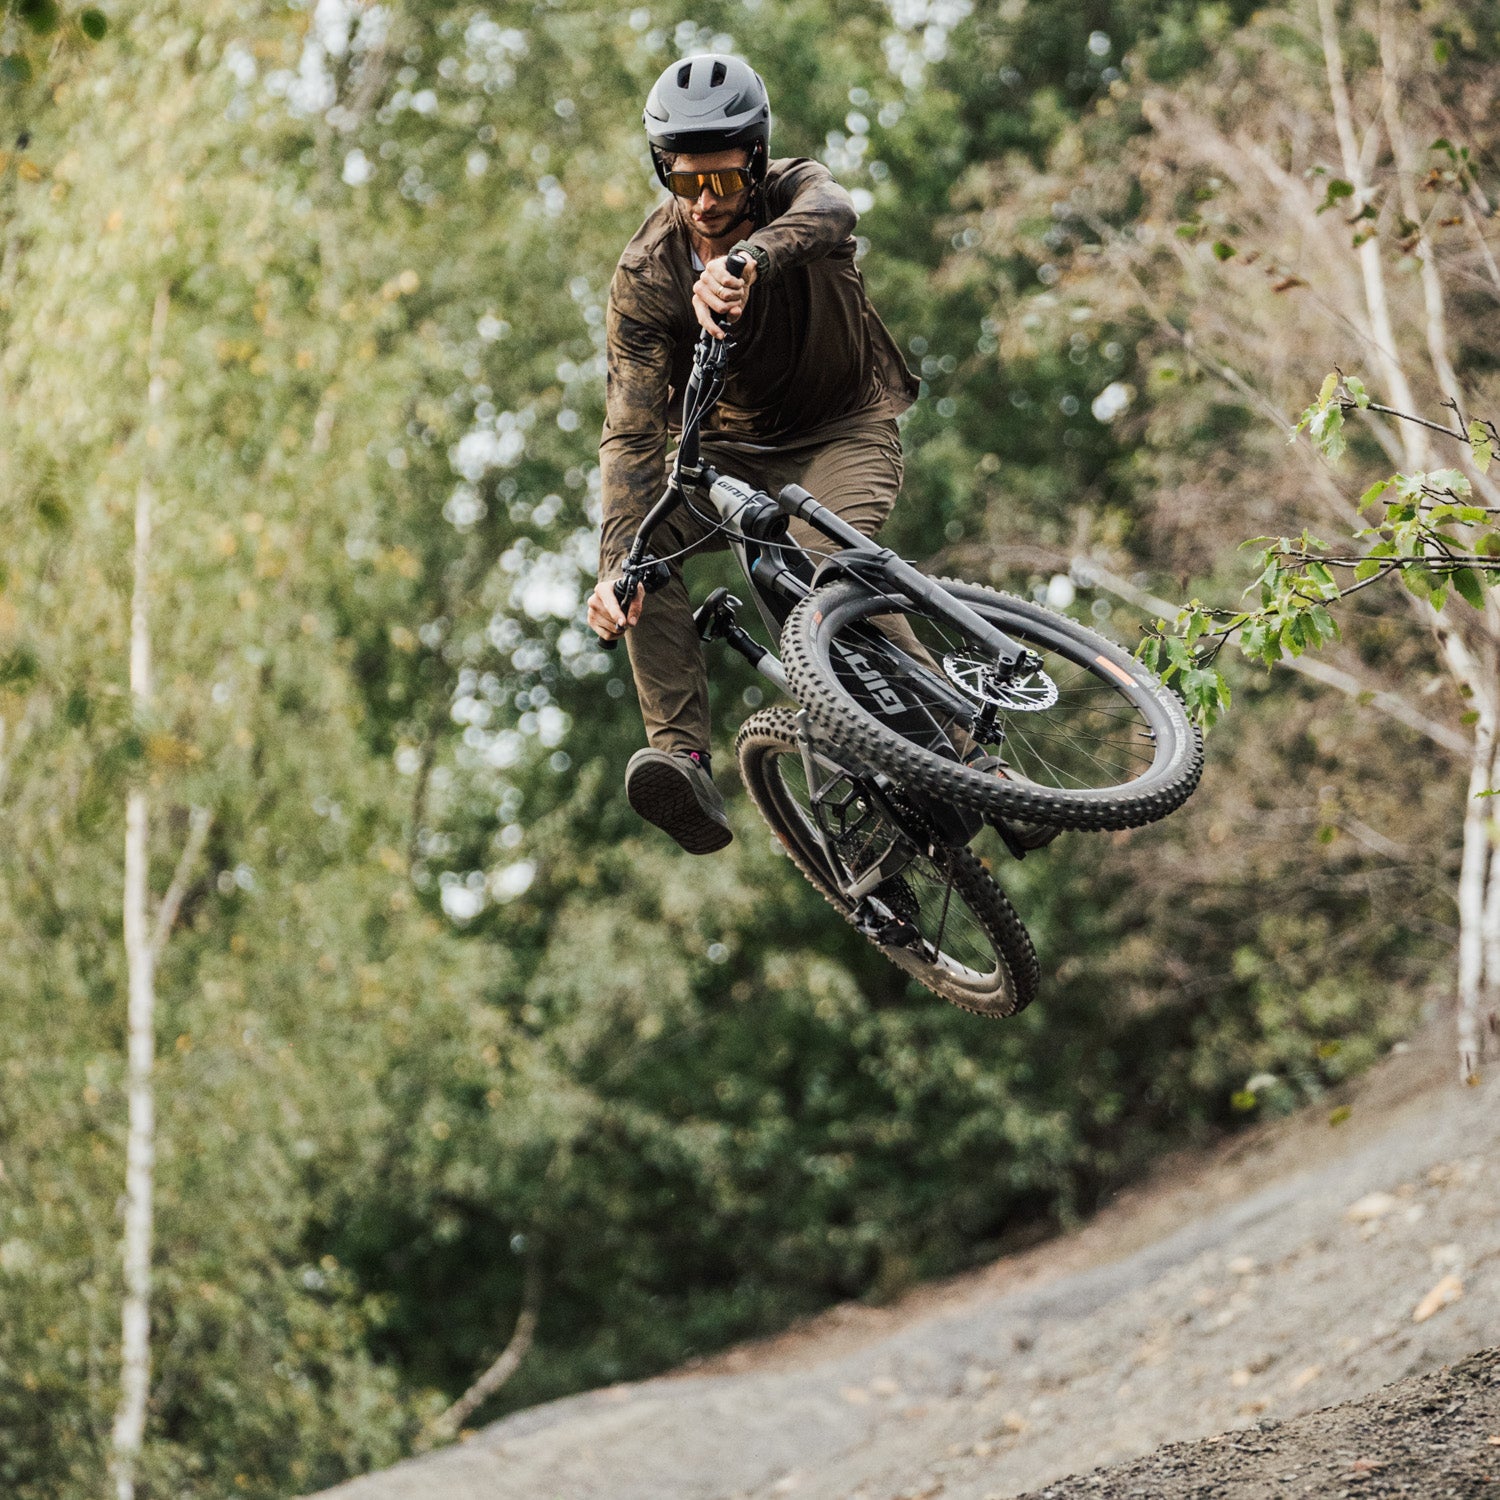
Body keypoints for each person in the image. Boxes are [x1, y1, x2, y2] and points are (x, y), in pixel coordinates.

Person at [590, 54, 918, 854]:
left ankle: (963, 750)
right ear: (662, 170)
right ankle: (684, 759)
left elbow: (836, 209)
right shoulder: (646, 276)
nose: (706, 203)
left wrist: (749, 260)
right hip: (728, 456)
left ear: (758, 166)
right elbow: (632, 434)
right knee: (638, 560)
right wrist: (610, 568)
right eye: (685, 181)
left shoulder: (800, 200)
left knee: (816, 561)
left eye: (725, 184)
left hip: (844, 426)